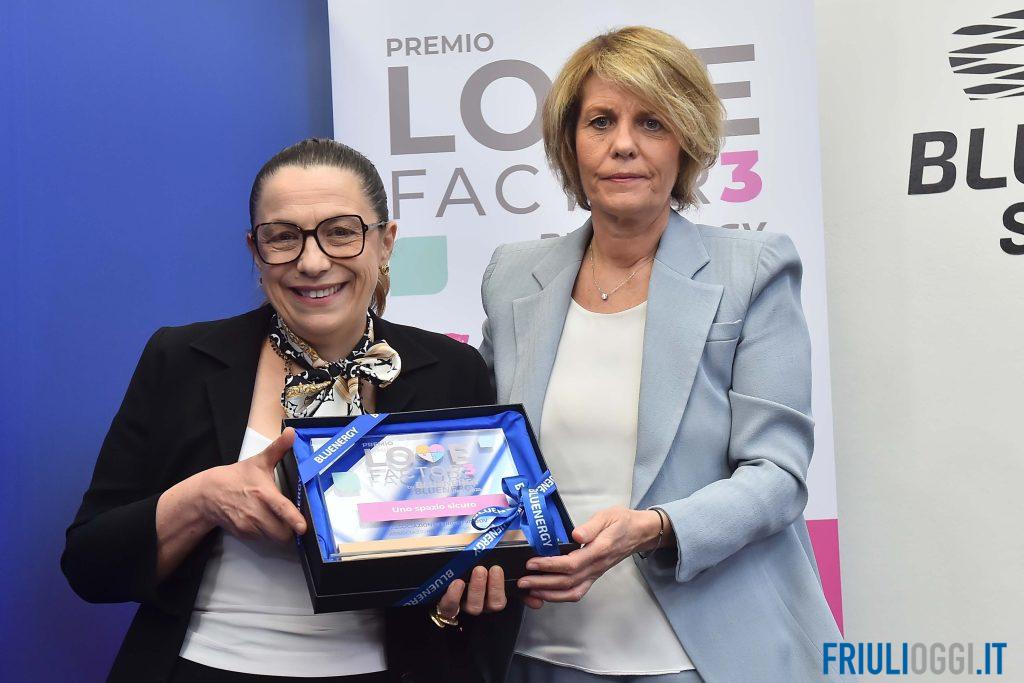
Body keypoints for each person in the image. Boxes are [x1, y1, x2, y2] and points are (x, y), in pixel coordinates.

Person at [62, 138, 519, 683]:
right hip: (200, 667)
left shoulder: (452, 369)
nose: (312, 262)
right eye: (283, 237)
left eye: (341, 232)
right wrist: (202, 499)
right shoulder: (181, 359)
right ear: (255, 251)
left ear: (385, 242)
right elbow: (90, 565)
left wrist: (463, 595)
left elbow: (482, 558)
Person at [479, 27, 844, 682]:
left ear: (686, 142)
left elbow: (778, 473)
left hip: (695, 655)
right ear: (570, 144)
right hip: (533, 651)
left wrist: (655, 526)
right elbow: (479, 448)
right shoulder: (513, 276)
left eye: (651, 122)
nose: (623, 144)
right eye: (600, 121)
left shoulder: (752, 269)